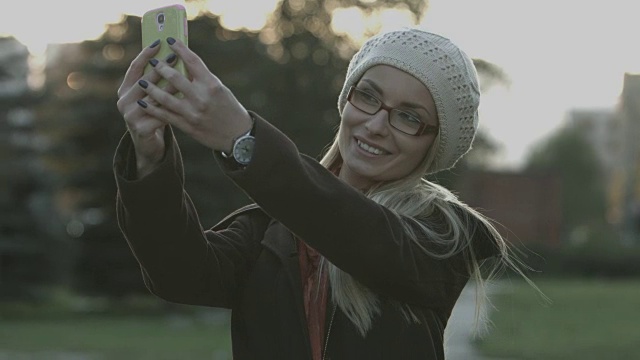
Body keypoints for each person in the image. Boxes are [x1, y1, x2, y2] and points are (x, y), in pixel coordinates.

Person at [114, 27, 529, 360]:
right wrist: (150, 157)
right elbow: (179, 275)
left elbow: (360, 235)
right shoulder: (270, 230)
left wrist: (243, 138)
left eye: (409, 117)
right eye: (368, 96)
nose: (376, 125)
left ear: (434, 144)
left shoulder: (442, 237)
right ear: (347, 99)